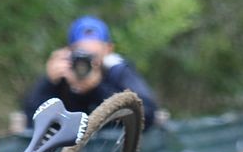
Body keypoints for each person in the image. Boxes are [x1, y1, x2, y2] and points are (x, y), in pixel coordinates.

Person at [22, 15, 160, 128]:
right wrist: (49, 83)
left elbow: (146, 115)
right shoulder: (61, 76)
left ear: (108, 49)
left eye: (92, 57)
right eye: (80, 55)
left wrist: (97, 88)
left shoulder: (118, 73)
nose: (85, 65)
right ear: (69, 51)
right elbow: (31, 121)